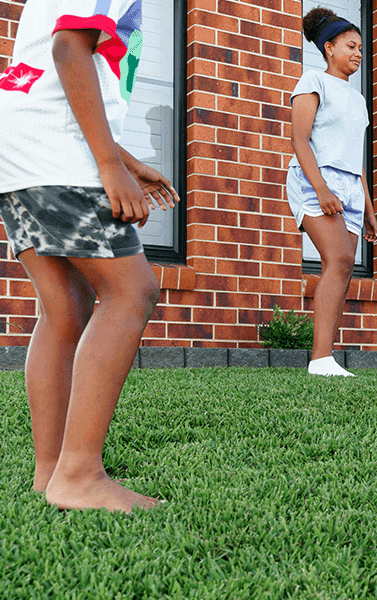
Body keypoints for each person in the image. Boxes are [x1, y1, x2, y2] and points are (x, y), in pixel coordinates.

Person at [0, 0, 179, 513]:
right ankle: (79, 475)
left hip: (18, 146)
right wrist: (107, 163)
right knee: (131, 290)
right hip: (54, 148)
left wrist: (125, 159)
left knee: (64, 306)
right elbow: (68, 50)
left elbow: (44, 70)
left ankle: (51, 471)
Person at [289, 8, 377, 377]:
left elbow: (355, 159)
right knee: (339, 261)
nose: (359, 53)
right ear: (329, 47)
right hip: (315, 179)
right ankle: (320, 359)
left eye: (361, 47)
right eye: (351, 46)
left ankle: (326, 358)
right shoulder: (313, 82)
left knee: (340, 270)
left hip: (351, 187)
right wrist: (321, 188)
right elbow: (299, 140)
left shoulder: (358, 100)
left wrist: (370, 209)